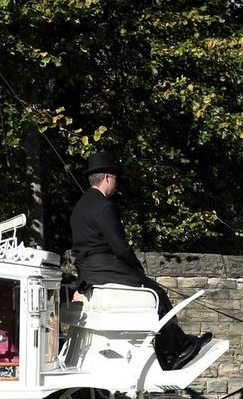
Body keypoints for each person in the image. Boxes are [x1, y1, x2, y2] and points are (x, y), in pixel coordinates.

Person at [70, 152, 211, 370]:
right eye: (115, 179)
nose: (116, 184)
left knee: (153, 292)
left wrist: (82, 281)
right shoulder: (105, 207)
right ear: (107, 178)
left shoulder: (79, 208)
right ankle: (174, 350)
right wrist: (138, 270)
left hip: (91, 270)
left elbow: (80, 249)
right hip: (107, 266)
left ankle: (173, 346)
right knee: (157, 294)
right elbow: (120, 247)